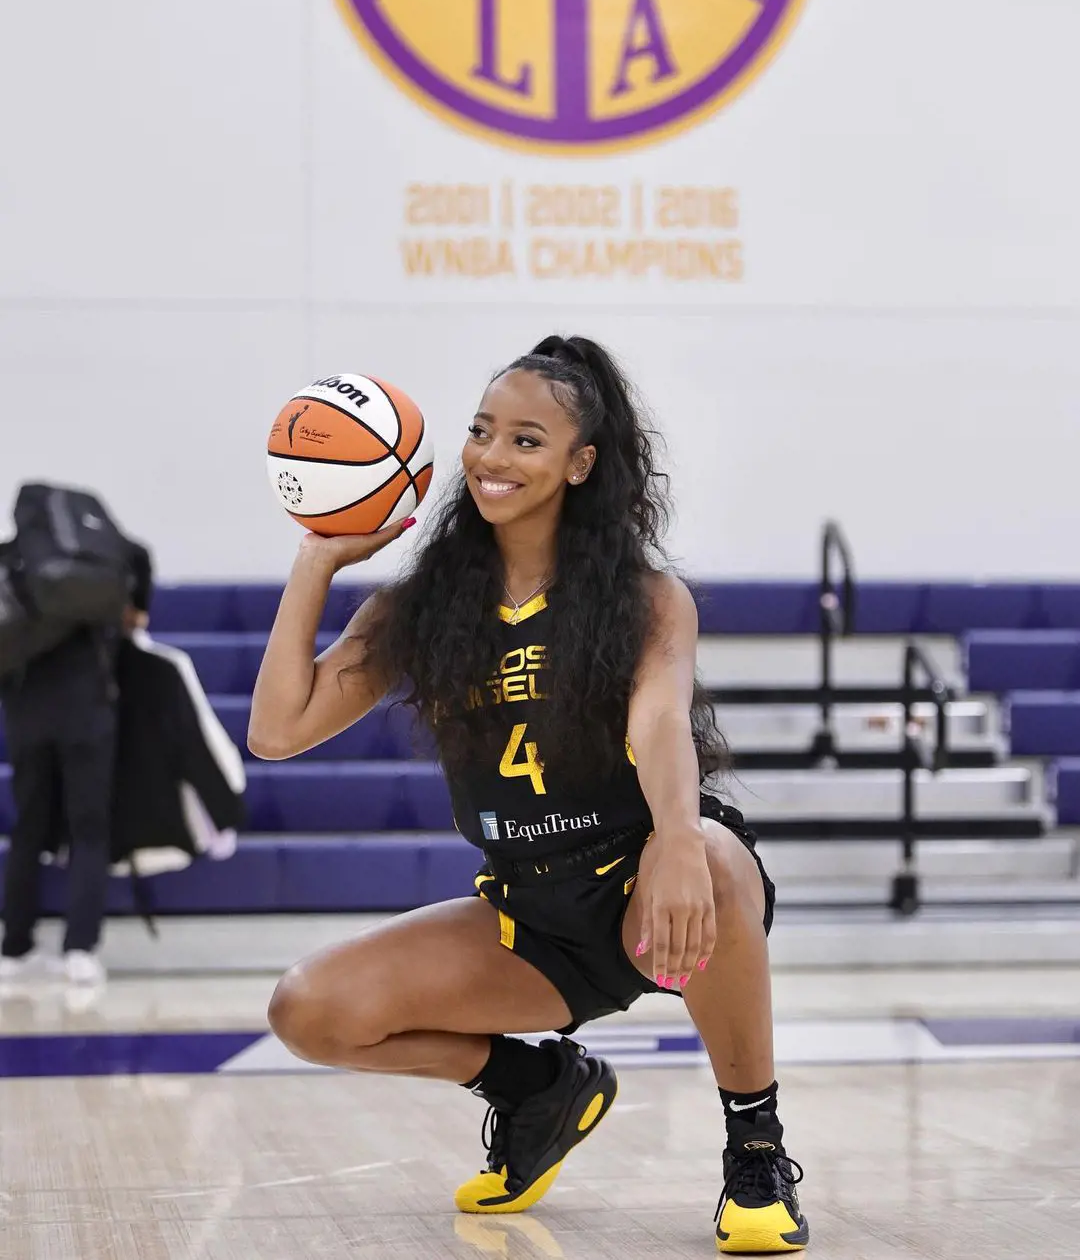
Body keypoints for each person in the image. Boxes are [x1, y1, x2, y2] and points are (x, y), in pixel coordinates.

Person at [249, 336, 808, 1253]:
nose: (491, 457)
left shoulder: (647, 597)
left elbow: (660, 723)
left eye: (525, 440)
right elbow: (276, 733)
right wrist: (316, 562)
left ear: (581, 464)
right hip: (527, 911)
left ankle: (755, 1144)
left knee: (709, 856)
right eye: (480, 432)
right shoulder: (416, 607)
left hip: (643, 880)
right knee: (308, 1009)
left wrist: (674, 836)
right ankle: (536, 1088)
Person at [0, 536, 152, 986]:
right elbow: (140, 556)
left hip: (27, 714)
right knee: (89, 830)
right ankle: (80, 950)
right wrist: (138, 606)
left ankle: (14, 947)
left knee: (28, 828)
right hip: (88, 713)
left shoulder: (14, 560)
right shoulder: (99, 561)